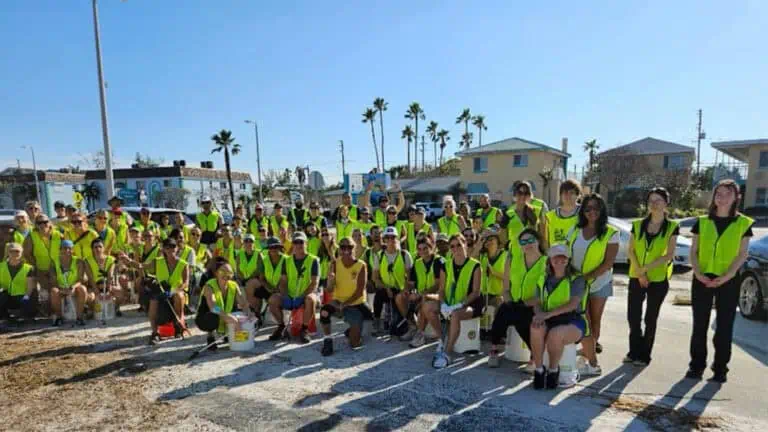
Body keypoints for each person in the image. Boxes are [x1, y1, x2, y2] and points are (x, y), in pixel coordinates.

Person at [687, 180, 753, 383]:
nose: (722, 198)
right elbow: (693, 251)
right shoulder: (702, 221)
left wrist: (727, 276)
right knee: (699, 325)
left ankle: (720, 368)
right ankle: (696, 366)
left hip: (729, 280)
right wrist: (698, 273)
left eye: (727, 194)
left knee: (724, 327)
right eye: (718, 193)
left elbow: (743, 254)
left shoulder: (743, 224)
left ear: (736, 198)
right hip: (702, 278)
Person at [626, 187, 678, 367]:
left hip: (657, 278)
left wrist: (647, 268)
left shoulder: (672, 227)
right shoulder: (638, 224)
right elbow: (630, 250)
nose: (654, 204)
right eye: (651, 201)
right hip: (636, 276)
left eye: (658, 201)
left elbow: (668, 254)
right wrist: (640, 272)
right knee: (633, 316)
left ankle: (644, 355)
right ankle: (633, 351)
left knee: (650, 318)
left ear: (666, 203)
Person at [567, 193, 618, 376]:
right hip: (577, 282)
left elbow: (608, 263)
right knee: (583, 318)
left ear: (602, 210)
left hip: (599, 283)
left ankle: (590, 358)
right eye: (588, 208)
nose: (592, 212)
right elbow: (566, 253)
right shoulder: (574, 229)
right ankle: (587, 353)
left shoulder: (611, 232)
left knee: (594, 320)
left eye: (596, 208)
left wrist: (586, 277)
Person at [528, 244, 588, 390]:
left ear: (568, 260)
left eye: (563, 258)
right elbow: (536, 302)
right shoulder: (543, 278)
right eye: (556, 257)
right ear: (550, 259)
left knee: (555, 334)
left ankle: (553, 371)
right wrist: (538, 315)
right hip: (550, 318)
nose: (560, 260)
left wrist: (546, 315)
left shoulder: (577, 279)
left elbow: (573, 304)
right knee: (535, 328)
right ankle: (539, 369)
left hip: (573, 320)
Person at [488, 228, 547, 368]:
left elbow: (545, 293)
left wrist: (522, 304)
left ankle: (534, 356)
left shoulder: (546, 263)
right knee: (504, 310)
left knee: (521, 317)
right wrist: (510, 301)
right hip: (514, 302)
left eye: (531, 240)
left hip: (536, 305)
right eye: (523, 241)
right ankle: (494, 348)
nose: (527, 244)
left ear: (538, 241)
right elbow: (506, 287)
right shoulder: (513, 260)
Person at [429, 234, 483, 368]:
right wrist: (443, 304)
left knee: (456, 315)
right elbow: (441, 289)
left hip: (470, 304)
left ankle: (447, 352)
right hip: (448, 303)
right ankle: (442, 339)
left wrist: (459, 305)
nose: (456, 248)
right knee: (427, 307)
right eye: (452, 246)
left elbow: (476, 292)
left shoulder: (475, 265)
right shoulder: (445, 265)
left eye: (459, 244)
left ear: (465, 244)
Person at [320, 236, 373, 355]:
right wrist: (330, 281)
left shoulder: (361, 265)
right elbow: (329, 289)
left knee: (355, 344)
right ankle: (328, 340)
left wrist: (344, 304)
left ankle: (353, 330)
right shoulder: (334, 264)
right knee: (324, 312)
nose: (346, 250)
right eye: (343, 247)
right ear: (339, 249)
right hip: (339, 301)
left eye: (349, 247)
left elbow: (360, 291)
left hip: (356, 304)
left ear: (354, 248)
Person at [267, 231, 320, 343]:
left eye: (301, 242)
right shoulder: (287, 261)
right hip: (290, 295)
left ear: (306, 243)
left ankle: (304, 330)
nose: (298, 245)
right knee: (272, 300)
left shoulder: (313, 260)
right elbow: (283, 281)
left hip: (306, 294)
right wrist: (286, 296)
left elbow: (314, 283)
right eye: (296, 242)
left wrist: (302, 296)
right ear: (292, 244)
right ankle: (281, 326)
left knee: (310, 299)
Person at [195, 261, 253, 350]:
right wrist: (227, 317)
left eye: (230, 272)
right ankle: (210, 336)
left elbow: (243, 302)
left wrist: (248, 312)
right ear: (216, 273)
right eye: (223, 271)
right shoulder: (209, 286)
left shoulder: (234, 285)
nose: (226, 275)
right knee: (213, 317)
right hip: (206, 316)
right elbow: (213, 307)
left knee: (241, 314)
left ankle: (229, 333)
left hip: (225, 314)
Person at [140, 239, 188, 345]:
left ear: (177, 248)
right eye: (167, 247)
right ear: (163, 249)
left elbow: (185, 283)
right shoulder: (157, 261)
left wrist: (174, 291)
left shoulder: (183, 264)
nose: (170, 249)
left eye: (173, 246)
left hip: (176, 292)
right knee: (153, 300)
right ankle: (155, 333)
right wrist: (127, 261)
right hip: (161, 291)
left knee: (178, 296)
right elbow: (141, 266)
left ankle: (178, 326)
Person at [372, 226, 413, 337]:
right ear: (384, 240)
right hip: (387, 289)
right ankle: (377, 322)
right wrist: (386, 288)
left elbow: (410, 277)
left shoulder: (405, 255)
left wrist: (405, 290)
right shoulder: (379, 256)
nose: (390, 240)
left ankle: (409, 323)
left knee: (396, 330)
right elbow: (375, 278)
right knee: (378, 296)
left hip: (401, 291)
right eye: (388, 238)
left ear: (397, 239)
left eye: (393, 237)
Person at [407, 237, 445, 347]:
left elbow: (438, 284)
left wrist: (422, 294)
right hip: (424, 295)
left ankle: (421, 334)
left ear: (432, 247)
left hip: (439, 295)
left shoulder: (439, 261)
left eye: (425, 248)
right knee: (402, 297)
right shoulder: (417, 263)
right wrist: (409, 291)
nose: (423, 251)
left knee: (425, 302)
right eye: (420, 249)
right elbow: (412, 283)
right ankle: (413, 328)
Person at [24, 214, 62, 303]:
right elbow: (27, 254)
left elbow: (66, 250)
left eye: (45, 222)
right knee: (46, 291)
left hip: (57, 268)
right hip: (41, 268)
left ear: (49, 223)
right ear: (36, 224)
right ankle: (48, 311)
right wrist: (36, 266)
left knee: (56, 290)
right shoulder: (31, 236)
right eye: (39, 222)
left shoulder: (58, 234)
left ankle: (57, 311)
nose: (42, 225)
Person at [49, 240, 87, 326]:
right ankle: (59, 318)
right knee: (54, 291)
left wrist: (72, 287)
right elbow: (52, 280)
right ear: (60, 249)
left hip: (74, 287)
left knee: (83, 289)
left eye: (69, 248)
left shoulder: (78, 261)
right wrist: (61, 289)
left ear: (73, 250)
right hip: (60, 287)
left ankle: (79, 317)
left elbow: (80, 279)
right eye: (64, 248)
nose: (67, 251)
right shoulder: (54, 262)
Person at [85, 238, 124, 316]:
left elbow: (110, 274)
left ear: (103, 248)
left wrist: (108, 289)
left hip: (107, 284)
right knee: (90, 297)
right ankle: (92, 310)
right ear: (92, 249)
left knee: (120, 293)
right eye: (95, 247)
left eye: (100, 247)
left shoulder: (111, 259)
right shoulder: (87, 260)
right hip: (94, 285)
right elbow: (90, 277)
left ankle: (115, 308)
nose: (98, 249)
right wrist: (96, 291)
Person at [502, 181, 541, 257]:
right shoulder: (508, 214)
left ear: (530, 195)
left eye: (526, 193)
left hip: (533, 255)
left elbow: (543, 237)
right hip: (514, 255)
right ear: (515, 195)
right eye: (520, 193)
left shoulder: (538, 211)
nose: (523, 196)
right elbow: (503, 239)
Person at [0, 243, 37, 322]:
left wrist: (26, 297)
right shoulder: (1, 266)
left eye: (17, 251)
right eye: (11, 251)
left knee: (30, 302)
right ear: (7, 253)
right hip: (6, 296)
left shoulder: (29, 268)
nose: (14, 253)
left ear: (21, 253)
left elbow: (30, 287)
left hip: (22, 297)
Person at [253, 237, 285, 319]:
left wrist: (278, 289)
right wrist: (269, 288)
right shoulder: (264, 260)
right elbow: (262, 279)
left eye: (275, 247)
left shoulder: (287, 260)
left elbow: (288, 279)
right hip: (269, 287)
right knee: (256, 292)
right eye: (271, 247)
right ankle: (257, 315)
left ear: (280, 248)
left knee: (273, 300)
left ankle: (281, 324)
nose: (273, 249)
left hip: (284, 289)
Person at [544, 180, 582, 248]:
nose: (568, 195)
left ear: (578, 195)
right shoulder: (549, 216)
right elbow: (545, 241)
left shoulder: (585, 213)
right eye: (565, 192)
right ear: (560, 195)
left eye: (571, 192)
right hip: (556, 257)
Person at [478, 229, 509, 307]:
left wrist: (494, 273)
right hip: (484, 296)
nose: (489, 242)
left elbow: (511, 278)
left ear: (497, 240)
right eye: (486, 240)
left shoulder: (506, 255)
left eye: (491, 239)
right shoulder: (482, 256)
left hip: (500, 296)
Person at [236, 234, 261, 319]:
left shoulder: (258, 254)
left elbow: (259, 270)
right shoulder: (240, 254)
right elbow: (238, 269)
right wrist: (242, 279)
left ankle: (254, 311)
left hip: (256, 280)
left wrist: (248, 279)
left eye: (251, 241)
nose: (248, 243)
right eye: (246, 241)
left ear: (254, 243)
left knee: (250, 285)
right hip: (243, 280)